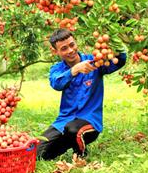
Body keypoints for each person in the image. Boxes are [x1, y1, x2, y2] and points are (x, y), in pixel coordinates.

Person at [37, 29, 127, 160]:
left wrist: (115, 42)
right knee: (37, 152)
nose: (70, 50)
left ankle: (80, 154)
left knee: (73, 129)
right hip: (64, 121)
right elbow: (57, 84)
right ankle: (62, 146)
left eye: (72, 45)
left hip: (89, 121)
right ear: (56, 51)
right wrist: (75, 70)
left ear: (76, 43)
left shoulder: (94, 62)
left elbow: (120, 61)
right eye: (64, 48)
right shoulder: (57, 69)